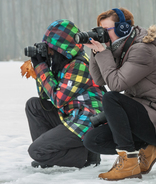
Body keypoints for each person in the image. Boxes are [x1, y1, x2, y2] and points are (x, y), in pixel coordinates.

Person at [83, 8, 156, 181]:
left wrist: (104, 53)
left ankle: (129, 163)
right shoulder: (119, 49)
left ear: (123, 29)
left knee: (111, 99)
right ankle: (147, 148)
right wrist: (96, 51)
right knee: (92, 140)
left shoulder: (142, 50)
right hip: (142, 116)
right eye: (100, 30)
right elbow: (99, 79)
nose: (102, 35)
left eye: (106, 31)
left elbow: (115, 85)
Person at [26, 19, 104, 169]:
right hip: (71, 116)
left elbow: (58, 99)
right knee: (33, 105)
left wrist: (41, 67)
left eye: (49, 48)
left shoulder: (78, 65)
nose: (48, 51)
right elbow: (44, 96)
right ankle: (49, 156)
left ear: (60, 48)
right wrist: (42, 64)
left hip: (87, 121)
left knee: (36, 151)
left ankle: (86, 157)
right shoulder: (63, 63)